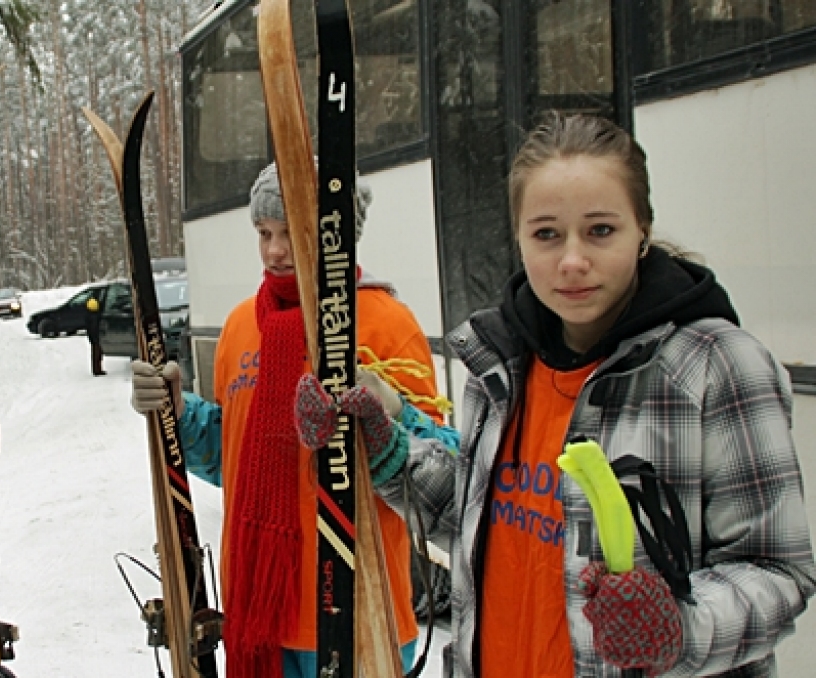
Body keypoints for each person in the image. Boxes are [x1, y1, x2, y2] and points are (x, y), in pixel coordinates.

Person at [296, 113, 816, 677]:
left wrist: (678, 628)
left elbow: (776, 570)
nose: (571, 261)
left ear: (642, 228)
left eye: (600, 230)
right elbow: (480, 529)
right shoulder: (500, 363)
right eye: (546, 234)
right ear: (518, 237)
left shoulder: (714, 365)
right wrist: (385, 448)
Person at [130, 161, 458, 678]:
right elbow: (237, 457)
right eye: (264, 233)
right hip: (261, 615)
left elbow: (438, 468)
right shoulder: (241, 326)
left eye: (290, 233)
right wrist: (178, 413)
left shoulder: (388, 324)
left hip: (361, 612)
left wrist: (391, 414)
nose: (274, 251)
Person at [86, 293, 106, 376]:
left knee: (96, 353)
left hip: (93, 337)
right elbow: (94, 328)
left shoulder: (89, 315)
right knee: (97, 353)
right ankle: (97, 370)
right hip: (95, 337)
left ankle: (97, 369)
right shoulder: (94, 317)